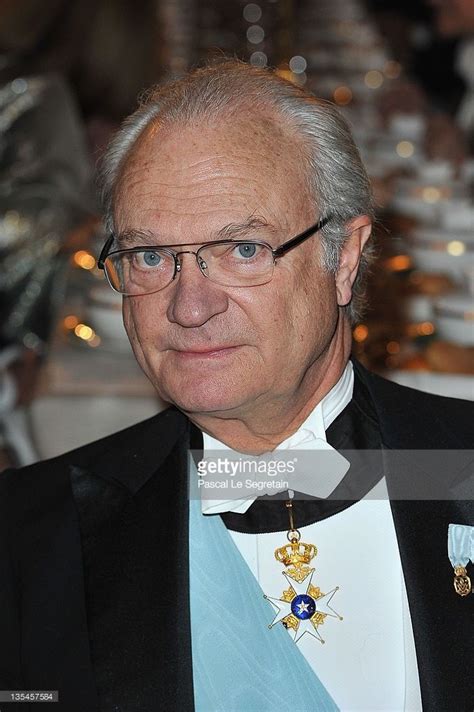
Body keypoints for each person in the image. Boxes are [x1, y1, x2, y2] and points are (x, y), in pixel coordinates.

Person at [0, 61, 472, 712]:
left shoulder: (462, 468)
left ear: (344, 257)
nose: (189, 307)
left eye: (243, 250)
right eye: (150, 256)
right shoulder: (27, 540)